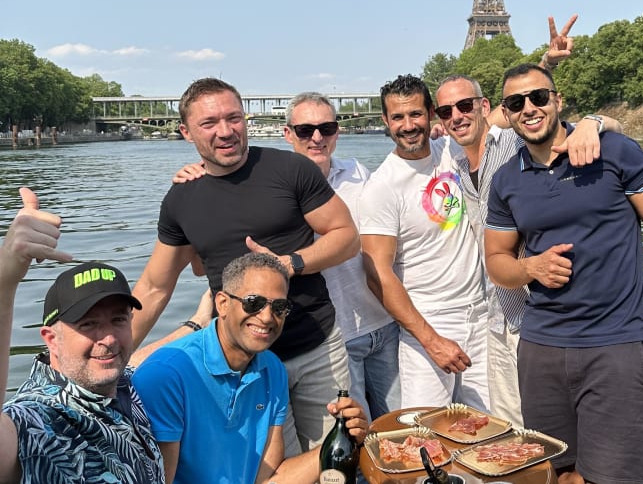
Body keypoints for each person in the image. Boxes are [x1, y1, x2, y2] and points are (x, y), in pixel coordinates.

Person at [484, 63, 643, 483]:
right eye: (516, 103)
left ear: (557, 100)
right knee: (556, 475)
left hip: (615, 348)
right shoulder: (506, 180)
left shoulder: (617, 151)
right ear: (507, 114)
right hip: (540, 350)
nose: (529, 108)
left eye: (539, 97)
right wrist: (529, 267)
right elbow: (496, 260)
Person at [130, 77, 359, 456]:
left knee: (335, 460)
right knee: (270, 471)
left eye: (233, 118)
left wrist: (289, 264)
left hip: (317, 346)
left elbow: (346, 237)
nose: (226, 131)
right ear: (186, 132)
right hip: (246, 365)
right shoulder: (181, 199)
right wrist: (110, 353)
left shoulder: (291, 169)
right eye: (209, 123)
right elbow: (154, 288)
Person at [432, 14, 622, 425]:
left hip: (538, 314)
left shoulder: (515, 141)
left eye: (465, 106)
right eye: (446, 111)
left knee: (544, 429)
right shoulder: (452, 160)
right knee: (509, 429)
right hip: (495, 314)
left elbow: (532, 106)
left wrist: (594, 119)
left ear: (484, 108)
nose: (457, 116)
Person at [133, 252, 368, 484]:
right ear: (222, 304)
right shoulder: (165, 376)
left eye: (279, 307)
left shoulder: (272, 369)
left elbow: (270, 479)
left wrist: (342, 439)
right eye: (253, 303)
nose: (267, 317)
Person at [0, 187, 166, 483]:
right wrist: (5, 278)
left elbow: (137, 358)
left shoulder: (120, 384)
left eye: (118, 320)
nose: (110, 338)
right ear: (51, 339)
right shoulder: (37, 419)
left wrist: (198, 323)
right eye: (88, 325)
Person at [359, 74, 490, 409]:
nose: (408, 125)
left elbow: (501, 115)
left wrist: (592, 123)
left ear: (432, 113)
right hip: (429, 322)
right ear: (386, 121)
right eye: (398, 117)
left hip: (483, 316)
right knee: (427, 433)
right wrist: (432, 341)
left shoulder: (452, 148)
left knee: (492, 429)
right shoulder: (382, 187)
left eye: (416, 114)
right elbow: (377, 274)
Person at [282, 92, 401, 420]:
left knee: (401, 425)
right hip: (334, 338)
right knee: (353, 436)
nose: (317, 138)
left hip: (383, 323)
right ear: (288, 133)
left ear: (337, 131)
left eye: (327, 128)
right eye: (306, 130)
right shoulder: (276, 185)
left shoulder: (357, 172)